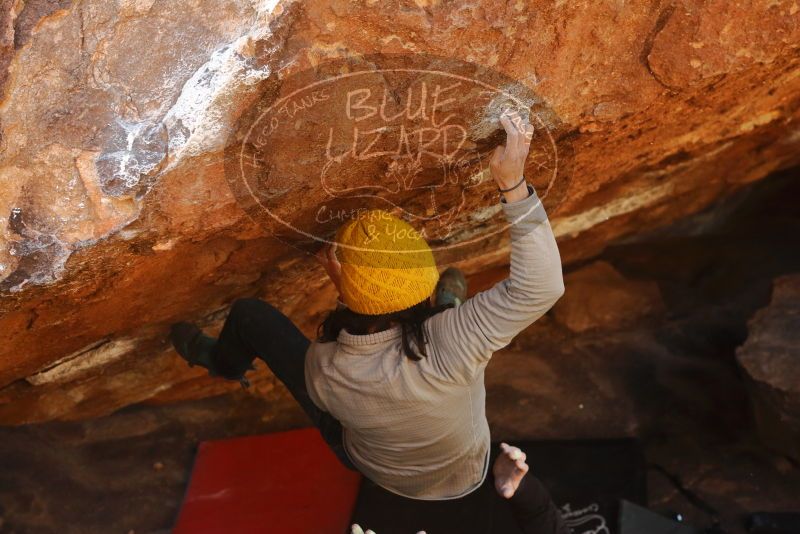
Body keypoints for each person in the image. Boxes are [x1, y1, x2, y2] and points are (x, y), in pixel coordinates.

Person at [170, 108, 567, 533]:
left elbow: (360, 343)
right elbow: (540, 288)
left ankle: (225, 363)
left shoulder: (325, 367)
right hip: (463, 471)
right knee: (452, 311)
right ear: (421, 290)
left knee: (250, 315)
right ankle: (445, 301)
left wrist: (348, 290)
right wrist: (512, 182)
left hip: (370, 456)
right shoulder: (454, 341)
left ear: (345, 293)